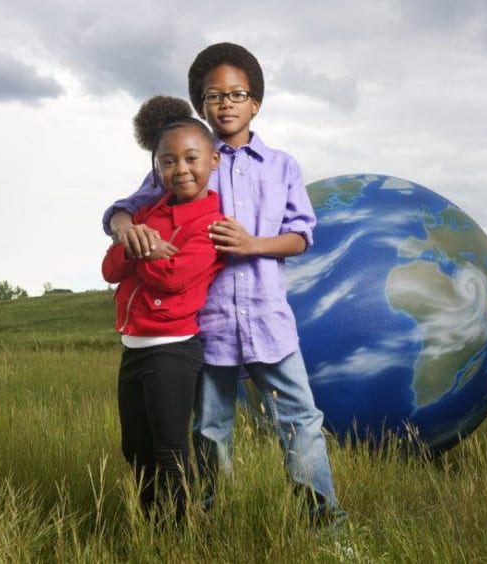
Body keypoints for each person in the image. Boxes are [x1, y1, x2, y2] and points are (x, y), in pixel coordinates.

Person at [102, 43, 345, 525]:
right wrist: (129, 231)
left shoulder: (281, 166)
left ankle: (325, 528)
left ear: (255, 102)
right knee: (211, 430)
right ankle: (212, 526)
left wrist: (254, 244)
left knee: (302, 423)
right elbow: (121, 209)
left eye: (238, 93)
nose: (226, 103)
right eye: (214, 96)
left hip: (268, 319)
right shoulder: (188, 155)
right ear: (201, 103)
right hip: (206, 325)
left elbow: (301, 237)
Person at [101, 95, 225, 520]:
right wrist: (142, 244)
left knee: (170, 450)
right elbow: (110, 268)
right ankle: (155, 528)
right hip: (133, 350)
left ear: (213, 162)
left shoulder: (212, 223)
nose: (180, 169)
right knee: (134, 447)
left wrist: (142, 249)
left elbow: (173, 278)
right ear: (157, 169)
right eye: (168, 162)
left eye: (191, 158)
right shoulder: (149, 212)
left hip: (173, 349)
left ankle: (188, 532)